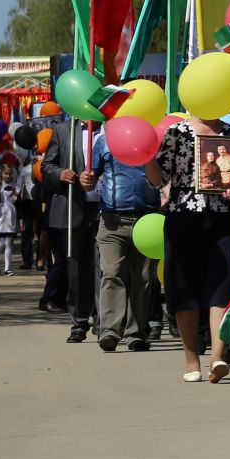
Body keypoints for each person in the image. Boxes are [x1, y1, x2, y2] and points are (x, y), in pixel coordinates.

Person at [147, 111, 230, 382]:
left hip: (224, 218)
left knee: (222, 286)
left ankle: (217, 357)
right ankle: (191, 360)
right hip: (183, 217)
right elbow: (157, 179)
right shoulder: (177, 132)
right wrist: (145, 156)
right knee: (183, 286)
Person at [87, 117, 159, 352]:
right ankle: (109, 331)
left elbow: (159, 179)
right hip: (112, 221)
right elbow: (90, 179)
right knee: (112, 273)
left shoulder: (154, 139)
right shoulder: (104, 141)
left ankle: (135, 333)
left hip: (147, 220)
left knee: (144, 278)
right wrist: (84, 179)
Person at [39, 118, 97, 340]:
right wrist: (61, 173)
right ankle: (79, 322)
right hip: (74, 209)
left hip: (106, 207)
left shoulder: (111, 128)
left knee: (106, 270)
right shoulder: (63, 130)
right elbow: (47, 166)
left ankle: (104, 321)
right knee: (76, 269)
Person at [0, 161, 19, 274]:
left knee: (8, 243)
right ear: (1, 174)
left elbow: (19, 200)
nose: (8, 176)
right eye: (6, 173)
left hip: (11, 216)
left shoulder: (15, 185)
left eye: (10, 174)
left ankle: (7, 268)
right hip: (1, 216)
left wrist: (18, 193)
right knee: (1, 243)